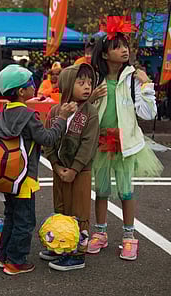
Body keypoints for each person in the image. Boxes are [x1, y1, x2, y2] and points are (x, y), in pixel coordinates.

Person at [0, 64, 76, 275]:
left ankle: (3, 257)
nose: (34, 86)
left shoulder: (3, 112)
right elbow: (47, 138)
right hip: (25, 177)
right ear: (21, 91)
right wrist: (62, 118)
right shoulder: (28, 116)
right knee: (25, 221)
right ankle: (16, 262)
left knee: (11, 216)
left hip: (7, 176)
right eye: (31, 84)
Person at [86, 32, 163, 260]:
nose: (124, 50)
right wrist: (91, 98)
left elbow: (148, 113)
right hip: (100, 141)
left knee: (126, 191)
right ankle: (100, 233)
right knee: (101, 191)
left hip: (126, 142)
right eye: (117, 47)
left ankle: (129, 237)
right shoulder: (95, 78)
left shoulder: (132, 78)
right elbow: (82, 108)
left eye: (125, 46)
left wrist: (146, 84)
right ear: (104, 53)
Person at [42, 63, 100, 271]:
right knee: (61, 207)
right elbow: (48, 140)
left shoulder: (90, 112)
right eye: (81, 82)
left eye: (90, 83)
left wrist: (74, 169)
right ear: (67, 85)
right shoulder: (56, 111)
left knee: (79, 210)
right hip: (60, 170)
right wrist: (56, 167)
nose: (87, 87)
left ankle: (77, 253)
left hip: (80, 172)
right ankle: (61, 243)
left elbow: (89, 144)